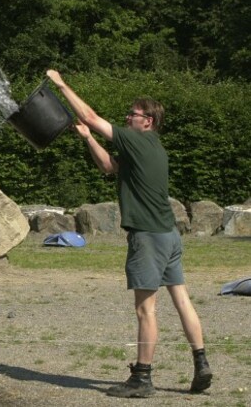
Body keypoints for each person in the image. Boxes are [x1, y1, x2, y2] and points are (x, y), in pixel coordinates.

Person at [45, 69, 212, 398]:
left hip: (148, 237)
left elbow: (91, 116)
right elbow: (109, 167)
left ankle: (143, 378)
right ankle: (201, 363)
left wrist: (62, 84)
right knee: (182, 300)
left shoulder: (135, 139)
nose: (126, 117)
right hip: (168, 235)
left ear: (147, 120)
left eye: (132, 114)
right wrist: (88, 139)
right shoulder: (152, 148)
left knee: (145, 310)